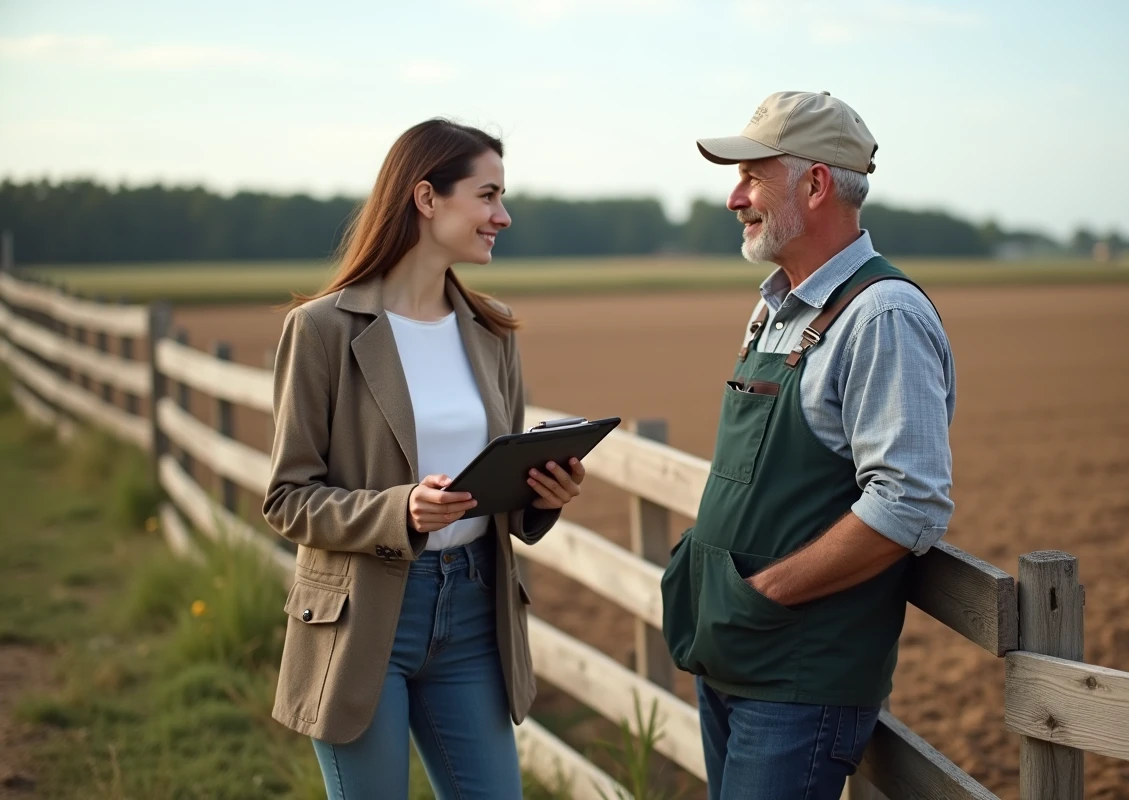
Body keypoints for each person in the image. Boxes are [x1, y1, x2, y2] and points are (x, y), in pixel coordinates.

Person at [262, 118, 586, 799]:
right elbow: (287, 498)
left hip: (475, 611)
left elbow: (498, 486)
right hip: (363, 615)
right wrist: (398, 510)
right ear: (426, 198)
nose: (503, 215)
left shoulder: (492, 329)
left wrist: (540, 496)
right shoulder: (321, 329)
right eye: (488, 194)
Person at [660, 91, 956, 800]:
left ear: (816, 184)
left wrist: (760, 596)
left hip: (797, 677)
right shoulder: (774, 306)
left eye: (752, 176)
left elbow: (909, 502)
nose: (735, 197)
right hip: (734, 650)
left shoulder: (882, 314)